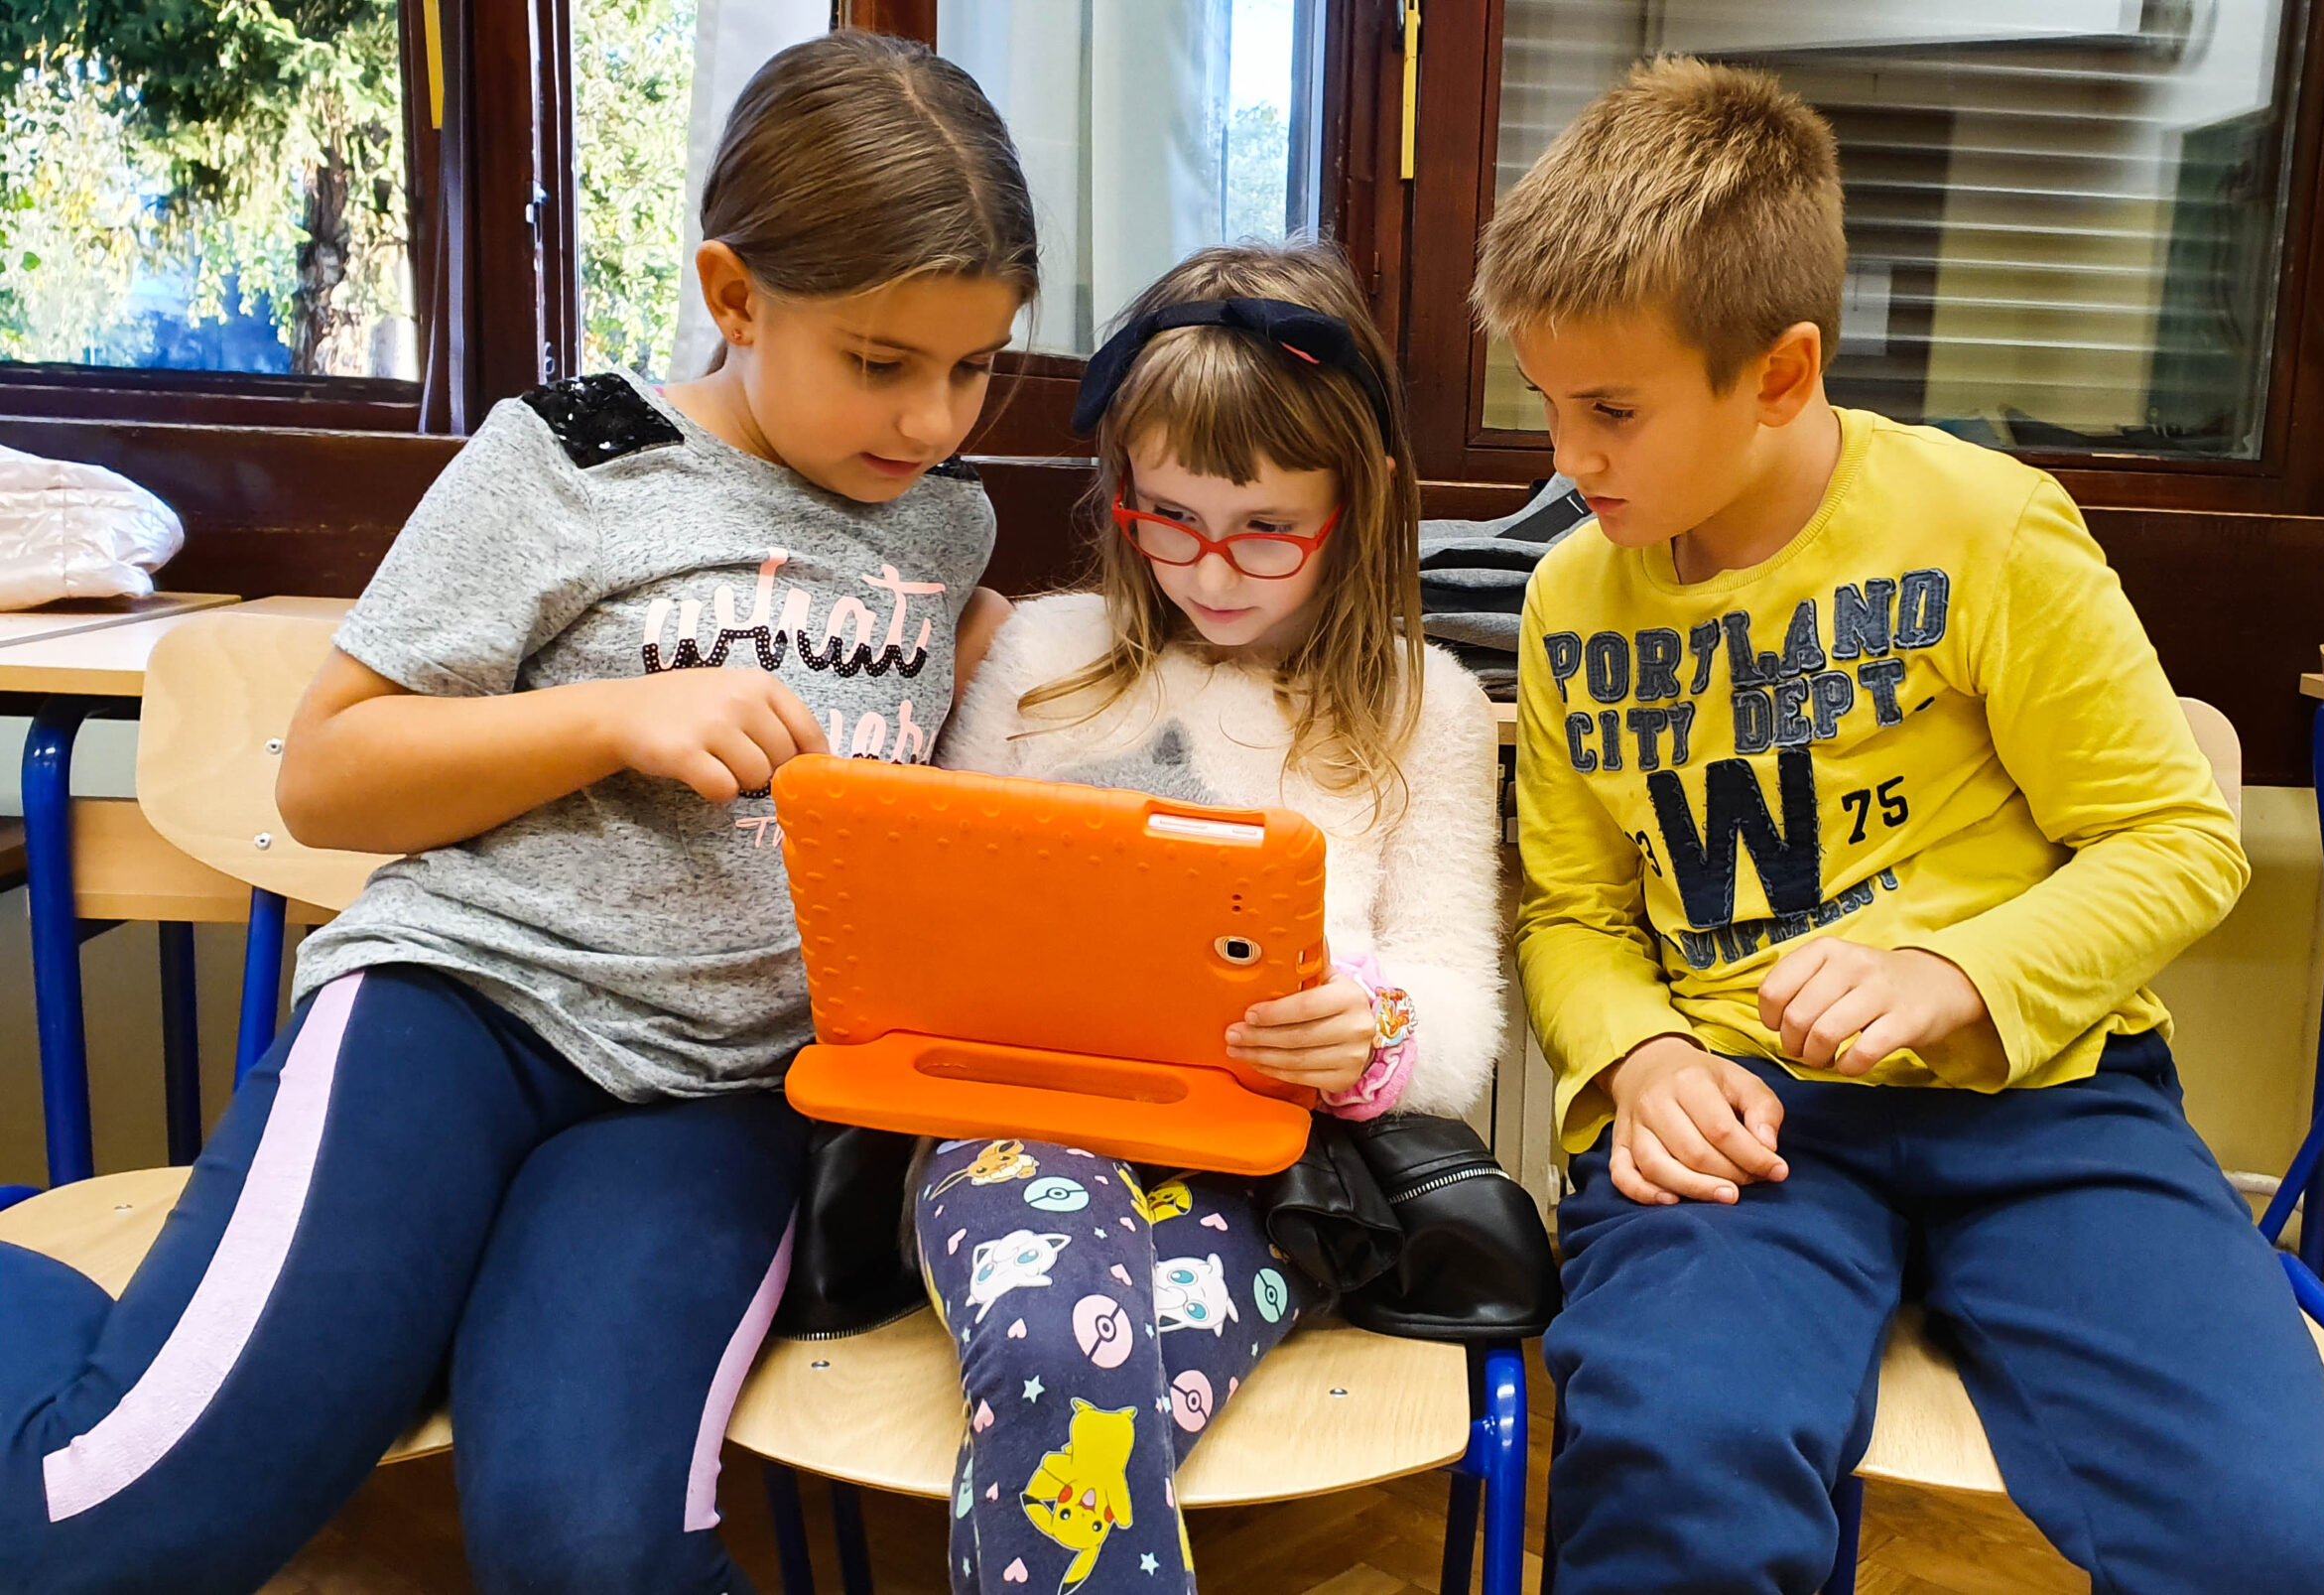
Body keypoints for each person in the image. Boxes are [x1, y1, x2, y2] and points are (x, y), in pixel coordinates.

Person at [0, 30, 1033, 1595]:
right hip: (460, 1016)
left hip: (720, 1097)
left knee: (588, 1556)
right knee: (100, 1529)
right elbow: (327, 773)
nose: (934, 419)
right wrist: (614, 718)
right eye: (881, 365)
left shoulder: (947, 526)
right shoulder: (571, 455)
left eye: (976, 367)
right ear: (734, 296)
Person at [1479, 59, 2324, 1594]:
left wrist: (1959, 974)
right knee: (1677, 1477)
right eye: (1547, 402)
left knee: (2278, 1544)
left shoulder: (1990, 528)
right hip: (1746, 1126)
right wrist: (1642, 1061)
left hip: (2050, 1105)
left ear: (1780, 374)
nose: (1566, 461)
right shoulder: (1572, 596)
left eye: (1612, 412)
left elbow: (2177, 840)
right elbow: (1573, 914)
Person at [920, 241, 1504, 1595]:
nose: (1211, 570)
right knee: (1065, 1352)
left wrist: (1371, 1030)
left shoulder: (1427, 707)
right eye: (1168, 517)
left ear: (1359, 501)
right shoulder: (1044, 658)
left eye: (1265, 528)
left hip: (1266, 1166)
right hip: (1023, 1127)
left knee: (1111, 1380)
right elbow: (943, 917)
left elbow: (1460, 1006)